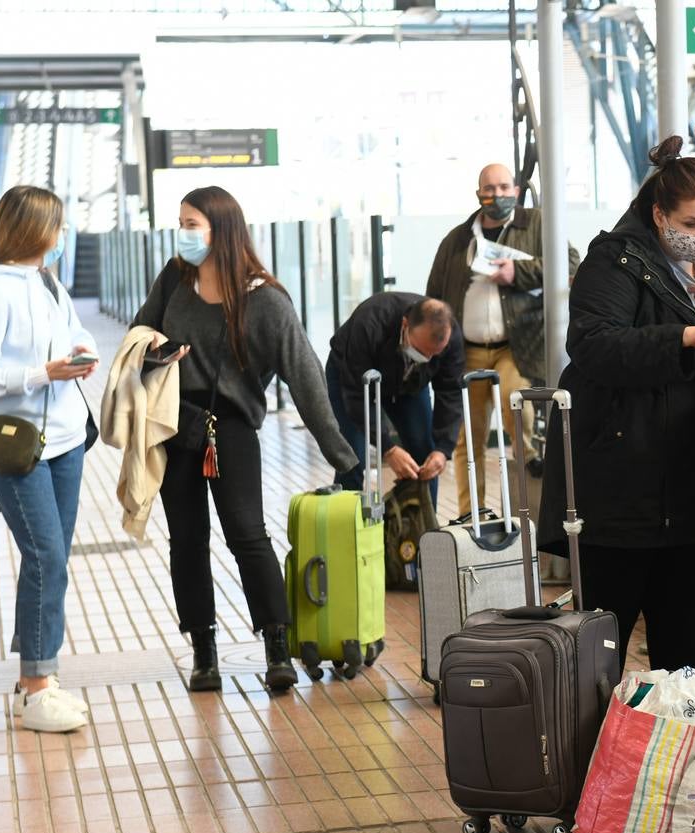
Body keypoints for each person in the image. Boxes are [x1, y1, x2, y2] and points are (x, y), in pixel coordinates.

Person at [535, 136, 695, 671]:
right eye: (694, 223)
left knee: (687, 633)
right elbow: (593, 346)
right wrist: (680, 339)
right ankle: (596, 751)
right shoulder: (616, 259)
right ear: (659, 215)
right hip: (622, 483)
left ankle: (685, 749)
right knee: (604, 638)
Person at [131, 186, 357, 694]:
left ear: (222, 230)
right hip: (173, 425)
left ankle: (277, 644)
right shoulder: (174, 278)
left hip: (229, 430)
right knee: (187, 542)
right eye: (182, 223)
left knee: (247, 535)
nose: (183, 233)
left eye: (192, 224)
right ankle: (203, 651)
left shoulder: (264, 298)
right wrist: (158, 353)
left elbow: (304, 375)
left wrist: (342, 456)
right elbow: (138, 335)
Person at [0, 185, 96, 733]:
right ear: (35, 231)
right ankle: (36, 687)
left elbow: (72, 334)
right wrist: (42, 373)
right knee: (46, 557)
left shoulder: (47, 282)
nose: (63, 232)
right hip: (18, 445)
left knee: (53, 560)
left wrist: (79, 355)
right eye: (58, 223)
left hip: (67, 441)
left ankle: (39, 681)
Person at [426, 163, 580, 516]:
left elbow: (570, 263)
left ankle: (530, 504)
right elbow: (434, 293)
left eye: (503, 187)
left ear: (515, 190)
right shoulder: (457, 240)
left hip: (517, 347)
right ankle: (471, 514)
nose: (497, 195)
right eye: (489, 189)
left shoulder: (536, 223)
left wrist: (518, 273)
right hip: (468, 352)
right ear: (478, 194)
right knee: (469, 436)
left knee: (518, 410)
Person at [326, 292, 464, 507]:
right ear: (405, 324)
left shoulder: (450, 336)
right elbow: (355, 396)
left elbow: (450, 391)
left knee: (424, 454)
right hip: (350, 378)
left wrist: (444, 448)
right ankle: (346, 531)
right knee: (352, 459)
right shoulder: (371, 320)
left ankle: (422, 532)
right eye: (420, 351)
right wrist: (388, 449)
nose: (426, 359)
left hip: (409, 383)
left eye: (433, 355)